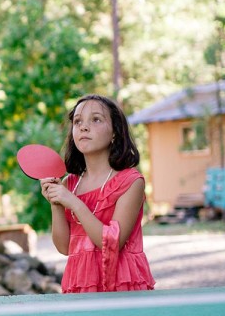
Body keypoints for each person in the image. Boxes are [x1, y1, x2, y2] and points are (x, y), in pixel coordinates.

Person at [39, 94, 155, 293]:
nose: (84, 127)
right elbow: (65, 247)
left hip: (123, 284)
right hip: (80, 283)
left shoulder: (131, 182)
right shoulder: (70, 184)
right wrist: (56, 204)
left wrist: (74, 203)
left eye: (96, 119)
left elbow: (113, 243)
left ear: (114, 133)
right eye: (78, 121)